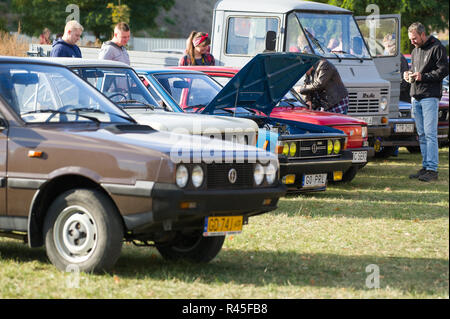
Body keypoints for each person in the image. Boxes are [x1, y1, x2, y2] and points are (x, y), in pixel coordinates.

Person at [405, 22, 449, 182]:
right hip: (415, 95)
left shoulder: (437, 48)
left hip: (430, 96)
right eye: (411, 39)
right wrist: (408, 75)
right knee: (422, 134)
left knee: (430, 134)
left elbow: (443, 70)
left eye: (415, 38)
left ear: (423, 34)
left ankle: (432, 169)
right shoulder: (415, 50)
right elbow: (416, 72)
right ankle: (425, 166)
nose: (412, 42)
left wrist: (424, 77)